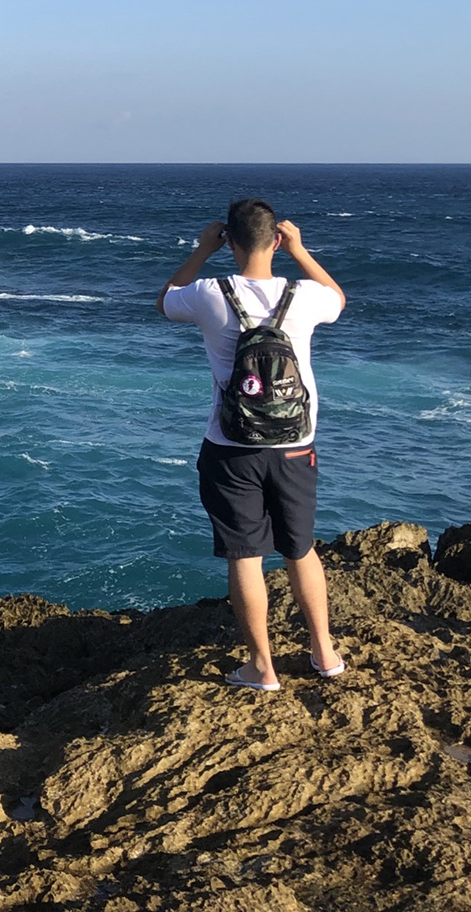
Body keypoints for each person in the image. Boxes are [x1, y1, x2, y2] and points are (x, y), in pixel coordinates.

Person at [159, 197, 346, 691]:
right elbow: (338, 299)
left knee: (246, 556)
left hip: (230, 445)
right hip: (295, 443)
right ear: (276, 241)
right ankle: (324, 653)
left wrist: (201, 250)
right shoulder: (303, 295)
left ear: (231, 243)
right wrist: (302, 251)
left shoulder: (207, 293)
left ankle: (262, 668)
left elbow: (165, 299)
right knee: (300, 549)